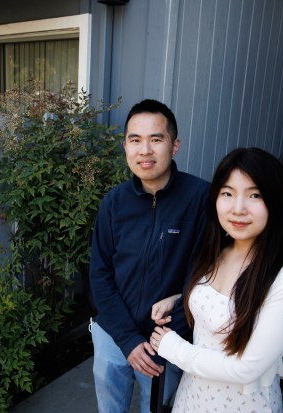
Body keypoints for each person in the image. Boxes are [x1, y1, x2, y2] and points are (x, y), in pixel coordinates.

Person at [149, 147, 283, 412]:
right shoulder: (219, 248)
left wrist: (173, 348)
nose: (238, 208)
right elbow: (219, 298)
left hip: (240, 404)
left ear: (275, 201)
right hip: (193, 396)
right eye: (227, 194)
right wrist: (178, 298)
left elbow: (247, 369)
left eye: (254, 195)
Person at [89, 99, 210, 413]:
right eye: (135, 140)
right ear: (125, 146)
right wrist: (127, 339)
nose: (145, 150)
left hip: (168, 339)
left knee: (158, 407)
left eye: (156, 139)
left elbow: (210, 276)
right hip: (114, 332)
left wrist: (171, 336)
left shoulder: (201, 199)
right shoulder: (113, 203)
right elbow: (99, 274)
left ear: (175, 145)